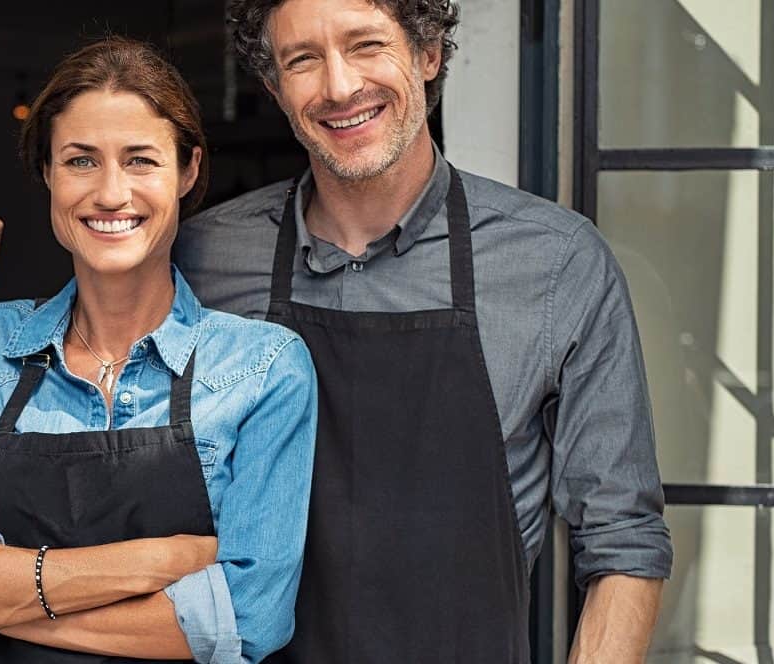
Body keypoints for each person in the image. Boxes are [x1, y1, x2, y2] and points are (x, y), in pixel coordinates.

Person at [165, 0, 670, 661]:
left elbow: (623, 542)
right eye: (303, 60)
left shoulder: (555, 263)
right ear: (275, 88)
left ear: (428, 54)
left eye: (367, 44)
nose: (341, 87)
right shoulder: (201, 261)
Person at [0, 37, 318, 663]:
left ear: (187, 172)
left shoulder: (262, 367)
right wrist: (160, 560)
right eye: (81, 161)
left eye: (141, 161)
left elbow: (248, 617)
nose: (111, 194)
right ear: (47, 173)